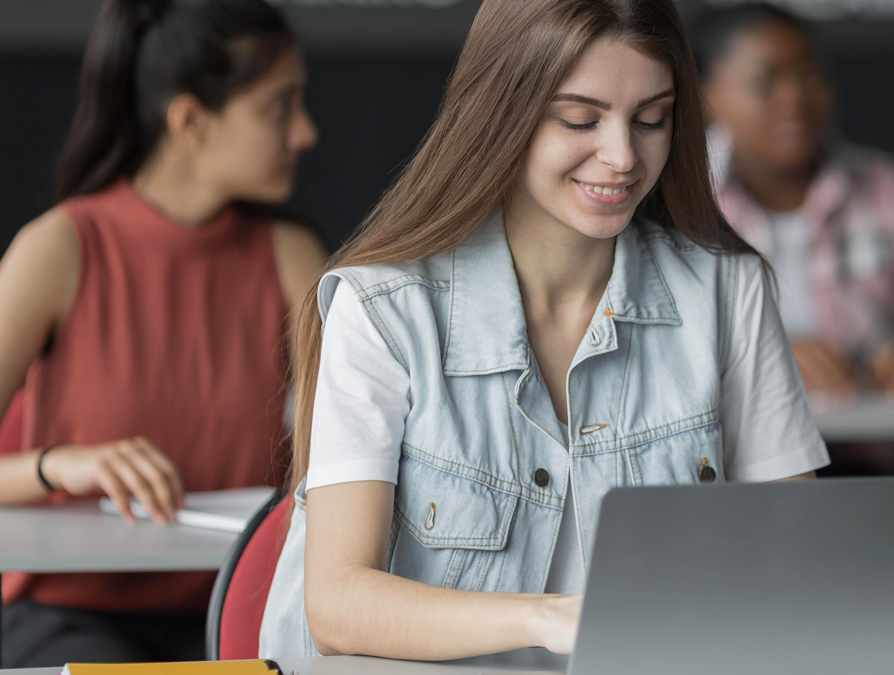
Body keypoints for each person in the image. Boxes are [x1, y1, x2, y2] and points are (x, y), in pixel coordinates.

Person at [258, 0, 829, 660]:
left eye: (652, 119)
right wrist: (549, 618)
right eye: (579, 119)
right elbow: (338, 605)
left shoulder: (729, 290)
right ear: (503, 113)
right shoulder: (384, 307)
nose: (621, 156)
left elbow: (799, 562)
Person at [0, 0, 324, 667]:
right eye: (280, 106)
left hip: (235, 610)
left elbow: (341, 458)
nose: (306, 133)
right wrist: (58, 463)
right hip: (68, 613)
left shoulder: (293, 258)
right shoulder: (59, 248)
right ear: (188, 121)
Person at [691, 4, 894, 405]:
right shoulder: (682, 198)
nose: (794, 98)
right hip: (727, 459)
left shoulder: (884, 188)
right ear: (707, 98)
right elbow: (651, 345)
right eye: (765, 82)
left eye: (809, 74)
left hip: (867, 455)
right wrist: (760, 356)